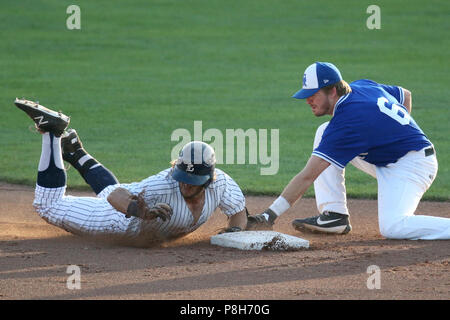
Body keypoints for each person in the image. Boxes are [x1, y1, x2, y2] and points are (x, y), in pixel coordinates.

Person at [247, 62, 450, 240]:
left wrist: (269, 215)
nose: (308, 100)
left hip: (413, 166)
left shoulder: (348, 122)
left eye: (313, 94)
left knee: (393, 226)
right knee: (323, 132)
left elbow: (307, 176)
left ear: (333, 91)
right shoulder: (361, 86)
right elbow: (405, 94)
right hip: (392, 158)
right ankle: (335, 216)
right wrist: (393, 132)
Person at [14, 98, 248, 244]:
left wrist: (234, 233)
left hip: (127, 214)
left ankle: (74, 152)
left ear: (209, 179)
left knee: (116, 187)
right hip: (113, 220)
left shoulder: (222, 184)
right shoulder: (163, 185)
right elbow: (114, 195)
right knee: (48, 206)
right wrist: (140, 210)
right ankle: (52, 133)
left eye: (193, 181)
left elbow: (238, 211)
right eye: (182, 178)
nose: (185, 184)